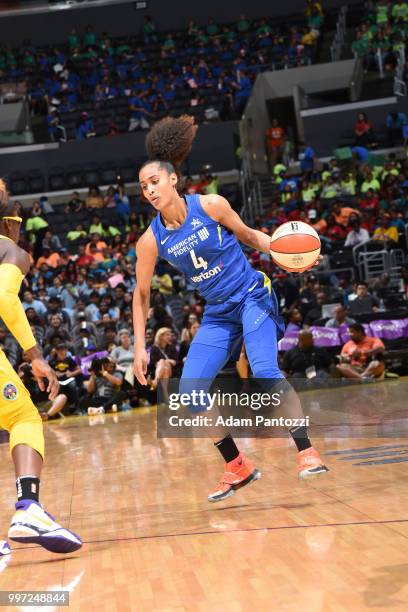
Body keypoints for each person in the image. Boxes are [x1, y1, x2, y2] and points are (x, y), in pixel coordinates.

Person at [133, 115, 328, 504]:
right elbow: (140, 295)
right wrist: (139, 347)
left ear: (173, 179)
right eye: (143, 187)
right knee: (189, 393)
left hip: (252, 295)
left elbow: (251, 237)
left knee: (264, 369)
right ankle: (237, 465)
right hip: (219, 312)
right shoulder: (150, 241)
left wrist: (291, 255)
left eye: (154, 182)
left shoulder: (211, 205)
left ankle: (306, 451)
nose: (150, 190)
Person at [0, 181, 81, 553]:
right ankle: (29, 506)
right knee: (25, 419)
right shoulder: (11, 250)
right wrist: (35, 356)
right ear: (11, 224)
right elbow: (3, 298)